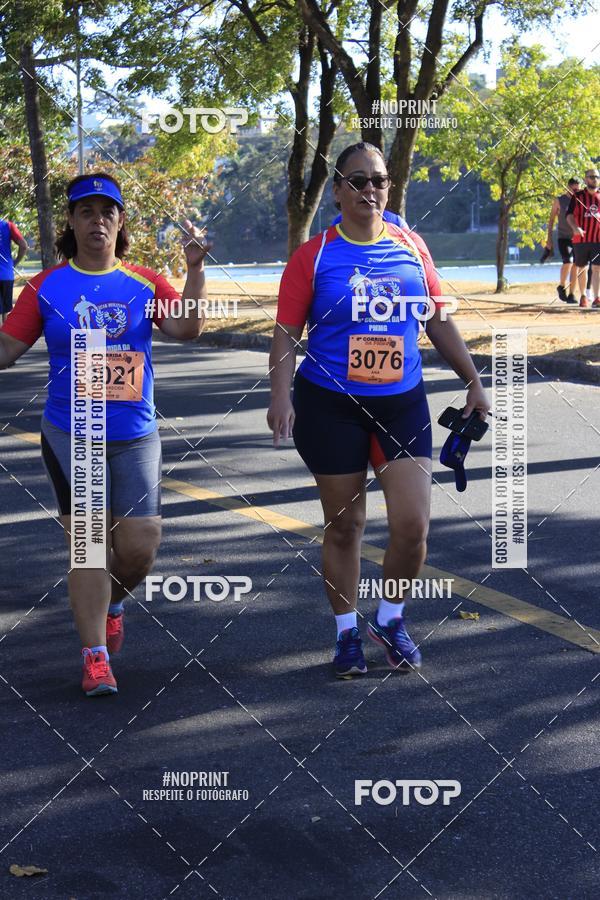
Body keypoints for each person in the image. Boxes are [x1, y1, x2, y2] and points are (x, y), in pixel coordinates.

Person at [267, 142, 490, 678]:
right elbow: (285, 332)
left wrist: (474, 382)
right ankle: (346, 635)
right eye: (359, 181)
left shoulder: (411, 243)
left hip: (401, 403)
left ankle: (389, 621)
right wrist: (279, 395)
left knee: (412, 526)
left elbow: (436, 319)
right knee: (346, 527)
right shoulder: (314, 255)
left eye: (380, 181)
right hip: (330, 405)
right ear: (338, 190)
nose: (371, 190)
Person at [0, 172, 210, 696]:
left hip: (135, 433)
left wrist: (195, 270)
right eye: (87, 212)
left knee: (140, 548)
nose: (98, 221)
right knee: (90, 545)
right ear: (71, 222)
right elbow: (5, 349)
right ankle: (95, 655)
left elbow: (186, 328)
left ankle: (112, 603)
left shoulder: (142, 282)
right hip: (73, 432)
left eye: (108, 212)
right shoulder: (47, 286)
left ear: (120, 222)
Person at [566, 168, 600, 309]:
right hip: (581, 239)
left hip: (598, 239)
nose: (595, 179)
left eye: (597, 177)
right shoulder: (578, 196)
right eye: (591, 177)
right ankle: (583, 297)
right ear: (585, 179)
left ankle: (597, 297)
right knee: (582, 268)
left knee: (597, 268)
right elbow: (569, 216)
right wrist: (575, 228)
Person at [545, 178, 580, 304]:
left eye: (577, 189)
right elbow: (551, 220)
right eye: (573, 189)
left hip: (577, 238)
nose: (575, 191)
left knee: (576, 265)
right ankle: (561, 286)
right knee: (568, 262)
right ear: (568, 188)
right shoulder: (559, 200)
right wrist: (549, 239)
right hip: (563, 237)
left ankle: (571, 294)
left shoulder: (580, 200)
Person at [0, 216, 28, 324]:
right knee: (5, 311)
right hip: (6, 274)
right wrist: (14, 263)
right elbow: (24, 246)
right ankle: (5, 337)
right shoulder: (8, 226)